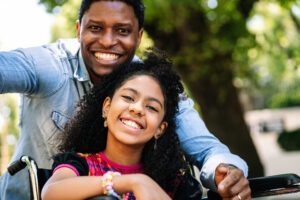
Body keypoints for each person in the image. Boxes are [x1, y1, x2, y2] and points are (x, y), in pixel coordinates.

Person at [0, 0, 250, 199]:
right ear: (79, 30)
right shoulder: (50, 66)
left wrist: (226, 173)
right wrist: (129, 181)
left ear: (139, 36)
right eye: (96, 28)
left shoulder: (157, 86)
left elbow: (208, 150)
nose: (108, 41)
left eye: (122, 30)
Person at [42, 50, 202, 200]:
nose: (137, 109)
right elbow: (51, 192)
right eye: (128, 97)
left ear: (160, 129)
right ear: (106, 108)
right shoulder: (79, 164)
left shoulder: (175, 183)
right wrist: (134, 182)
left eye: (152, 107)